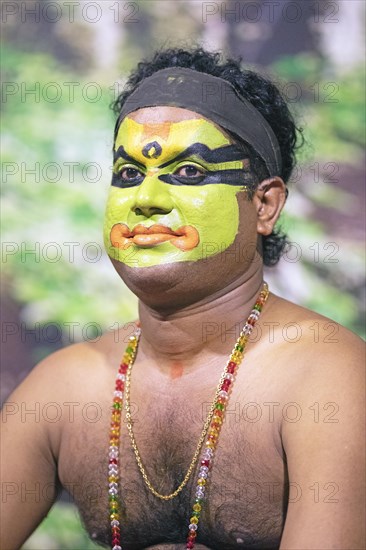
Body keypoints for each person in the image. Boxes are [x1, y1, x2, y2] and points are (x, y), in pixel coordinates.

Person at [1, 47, 364, 550]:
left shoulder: (326, 375)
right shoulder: (64, 387)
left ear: (264, 205)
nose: (145, 198)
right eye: (128, 174)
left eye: (189, 172)